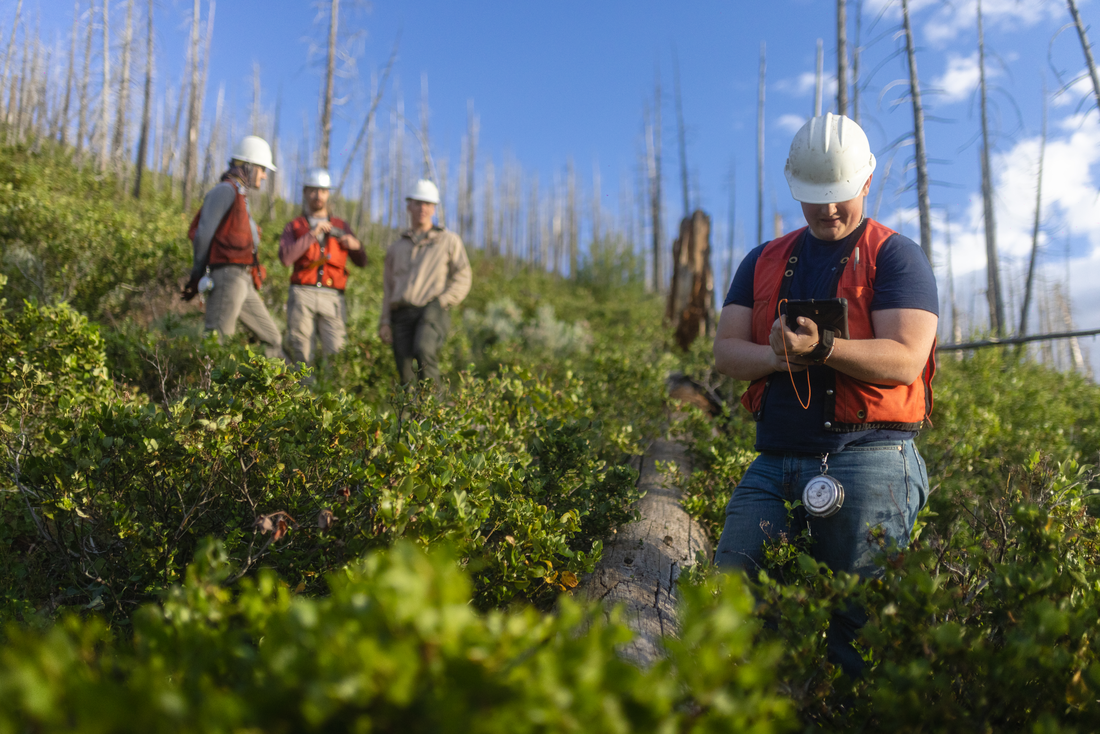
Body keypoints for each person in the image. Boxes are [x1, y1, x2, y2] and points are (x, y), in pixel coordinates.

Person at [712, 113, 938, 678]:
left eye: (839, 195)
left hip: (872, 458)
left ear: (866, 182)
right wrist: (776, 355)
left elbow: (906, 357)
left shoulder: (895, 256)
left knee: (859, 631)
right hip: (774, 460)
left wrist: (826, 349)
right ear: (795, 187)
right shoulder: (762, 260)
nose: (829, 210)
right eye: (815, 197)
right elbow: (725, 353)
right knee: (731, 606)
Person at [182, 135, 285, 360]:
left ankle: (268, 392)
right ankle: (204, 392)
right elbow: (203, 234)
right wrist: (197, 274)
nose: (265, 176)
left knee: (273, 338)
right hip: (227, 276)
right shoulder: (226, 191)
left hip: (242, 279)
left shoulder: (240, 194)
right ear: (248, 166)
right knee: (216, 344)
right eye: (262, 169)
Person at [379, 179, 472, 386]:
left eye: (428, 204)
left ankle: (436, 413)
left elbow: (463, 276)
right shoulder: (396, 248)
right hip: (400, 313)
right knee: (405, 373)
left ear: (434, 208)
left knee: (424, 351)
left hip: (432, 309)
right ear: (409, 206)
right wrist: (385, 321)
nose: (422, 208)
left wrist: (443, 301)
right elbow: (388, 288)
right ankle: (409, 417)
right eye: (418, 203)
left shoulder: (448, 240)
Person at [278, 168, 366, 366]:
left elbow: (363, 262)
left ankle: (332, 395)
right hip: (302, 294)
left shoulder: (341, 225)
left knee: (337, 353)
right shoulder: (294, 225)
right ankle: (303, 395)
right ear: (305, 193)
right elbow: (286, 258)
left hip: (333, 297)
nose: (318, 196)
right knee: (300, 353)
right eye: (313, 190)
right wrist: (312, 234)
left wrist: (356, 246)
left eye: (323, 191)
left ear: (328, 194)